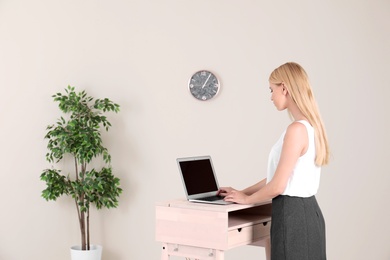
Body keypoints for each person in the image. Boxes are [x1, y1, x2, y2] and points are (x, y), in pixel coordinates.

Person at [218, 62, 330, 260]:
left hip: (292, 217)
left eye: (272, 89)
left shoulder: (296, 130)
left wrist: (246, 200)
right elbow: (278, 176)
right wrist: (243, 191)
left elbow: (278, 185)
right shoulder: (311, 128)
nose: (271, 96)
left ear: (284, 88)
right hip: (310, 215)